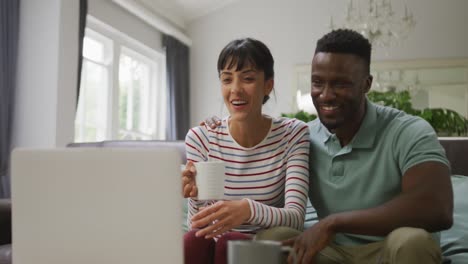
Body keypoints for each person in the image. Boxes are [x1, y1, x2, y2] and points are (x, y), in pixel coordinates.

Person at [205, 29, 454, 264]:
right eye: (317, 82)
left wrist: (334, 223)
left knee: (412, 241)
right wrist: (219, 129)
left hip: (389, 251)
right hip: (329, 252)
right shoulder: (301, 136)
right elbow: (258, 146)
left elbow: (437, 207)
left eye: (341, 84)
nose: (325, 95)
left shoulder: (408, 131)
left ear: (366, 84)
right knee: (273, 238)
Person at [182, 38, 310, 264]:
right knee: (194, 240)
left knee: (230, 242)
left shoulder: (293, 134)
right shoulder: (201, 138)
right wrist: (194, 195)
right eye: (227, 79)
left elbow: (296, 218)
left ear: (268, 85)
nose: (235, 90)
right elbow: (198, 226)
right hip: (214, 245)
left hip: (263, 245)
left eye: (248, 78)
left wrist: (247, 210)